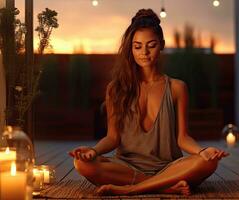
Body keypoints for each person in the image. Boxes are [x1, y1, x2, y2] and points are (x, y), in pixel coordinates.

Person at [69, 8, 228, 196]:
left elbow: (183, 138)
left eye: (151, 45)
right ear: (131, 48)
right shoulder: (116, 89)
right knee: (81, 164)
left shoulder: (177, 88)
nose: (144, 52)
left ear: (161, 45)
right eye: (137, 46)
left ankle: (132, 189)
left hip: (170, 168)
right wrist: (93, 152)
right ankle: (165, 187)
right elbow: (112, 138)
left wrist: (202, 151)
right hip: (126, 168)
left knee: (207, 162)